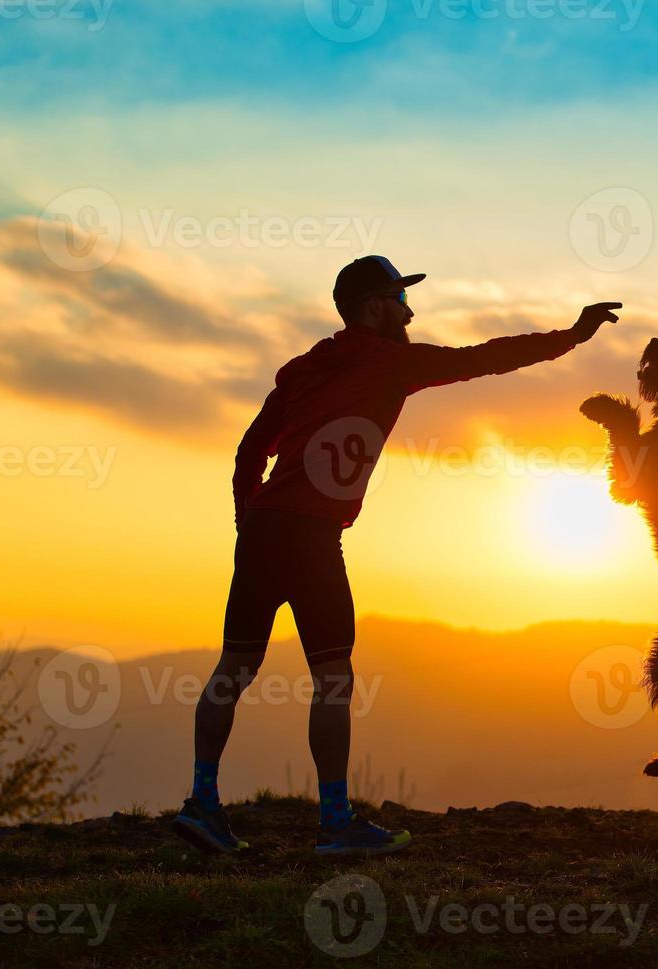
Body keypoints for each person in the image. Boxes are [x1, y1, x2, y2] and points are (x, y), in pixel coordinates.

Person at [172, 255, 622, 856]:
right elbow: (485, 358)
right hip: (310, 537)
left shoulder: (301, 370)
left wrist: (245, 525)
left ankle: (202, 803)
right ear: (375, 306)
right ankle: (334, 822)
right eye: (401, 298)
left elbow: (249, 453)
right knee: (333, 679)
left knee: (234, 668)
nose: (410, 310)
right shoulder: (395, 363)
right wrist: (571, 336)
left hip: (263, 530)